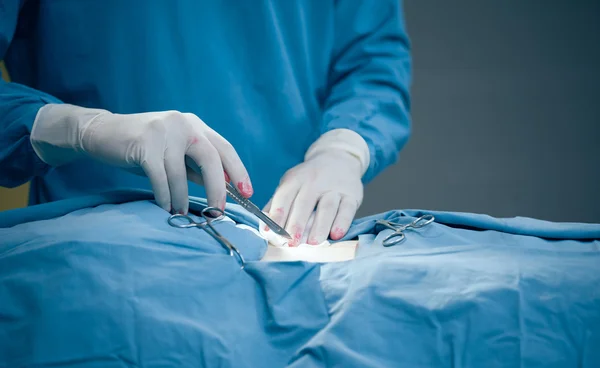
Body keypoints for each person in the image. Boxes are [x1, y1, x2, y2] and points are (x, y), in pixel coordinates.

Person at [0, 1, 411, 247]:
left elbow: (372, 60)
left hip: (283, 242)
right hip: (92, 253)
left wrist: (341, 150)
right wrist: (80, 129)